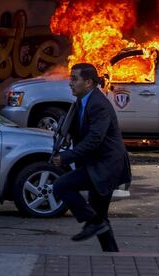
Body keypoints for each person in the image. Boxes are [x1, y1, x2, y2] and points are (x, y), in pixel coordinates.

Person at [52, 63, 131, 252]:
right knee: (101, 218)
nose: (70, 83)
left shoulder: (98, 104)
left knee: (61, 185)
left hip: (106, 166)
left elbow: (95, 138)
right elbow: (79, 125)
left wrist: (67, 157)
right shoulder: (82, 101)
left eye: (74, 79)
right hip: (95, 165)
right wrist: (69, 133)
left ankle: (94, 222)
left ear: (88, 82)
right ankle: (112, 255)